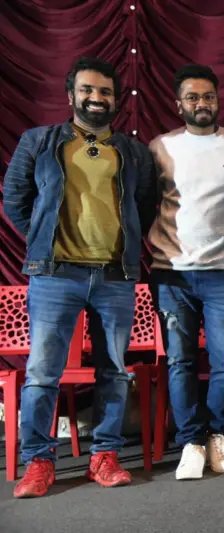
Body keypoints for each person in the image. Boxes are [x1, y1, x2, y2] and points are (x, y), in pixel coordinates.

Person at [4, 57, 156, 498]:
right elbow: (14, 198)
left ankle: (104, 456)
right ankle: (38, 462)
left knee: (114, 371)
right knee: (42, 372)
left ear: (116, 100)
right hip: (55, 275)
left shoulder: (133, 152)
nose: (96, 98)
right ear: (71, 95)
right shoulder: (39, 141)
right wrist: (43, 238)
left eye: (105, 91)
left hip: (115, 276)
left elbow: (145, 206)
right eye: (87, 90)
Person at [148, 64, 224, 479]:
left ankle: (217, 435)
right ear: (179, 104)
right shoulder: (161, 147)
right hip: (172, 273)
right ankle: (190, 441)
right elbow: (143, 202)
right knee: (180, 362)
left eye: (208, 96)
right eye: (192, 97)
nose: (201, 103)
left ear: (218, 100)